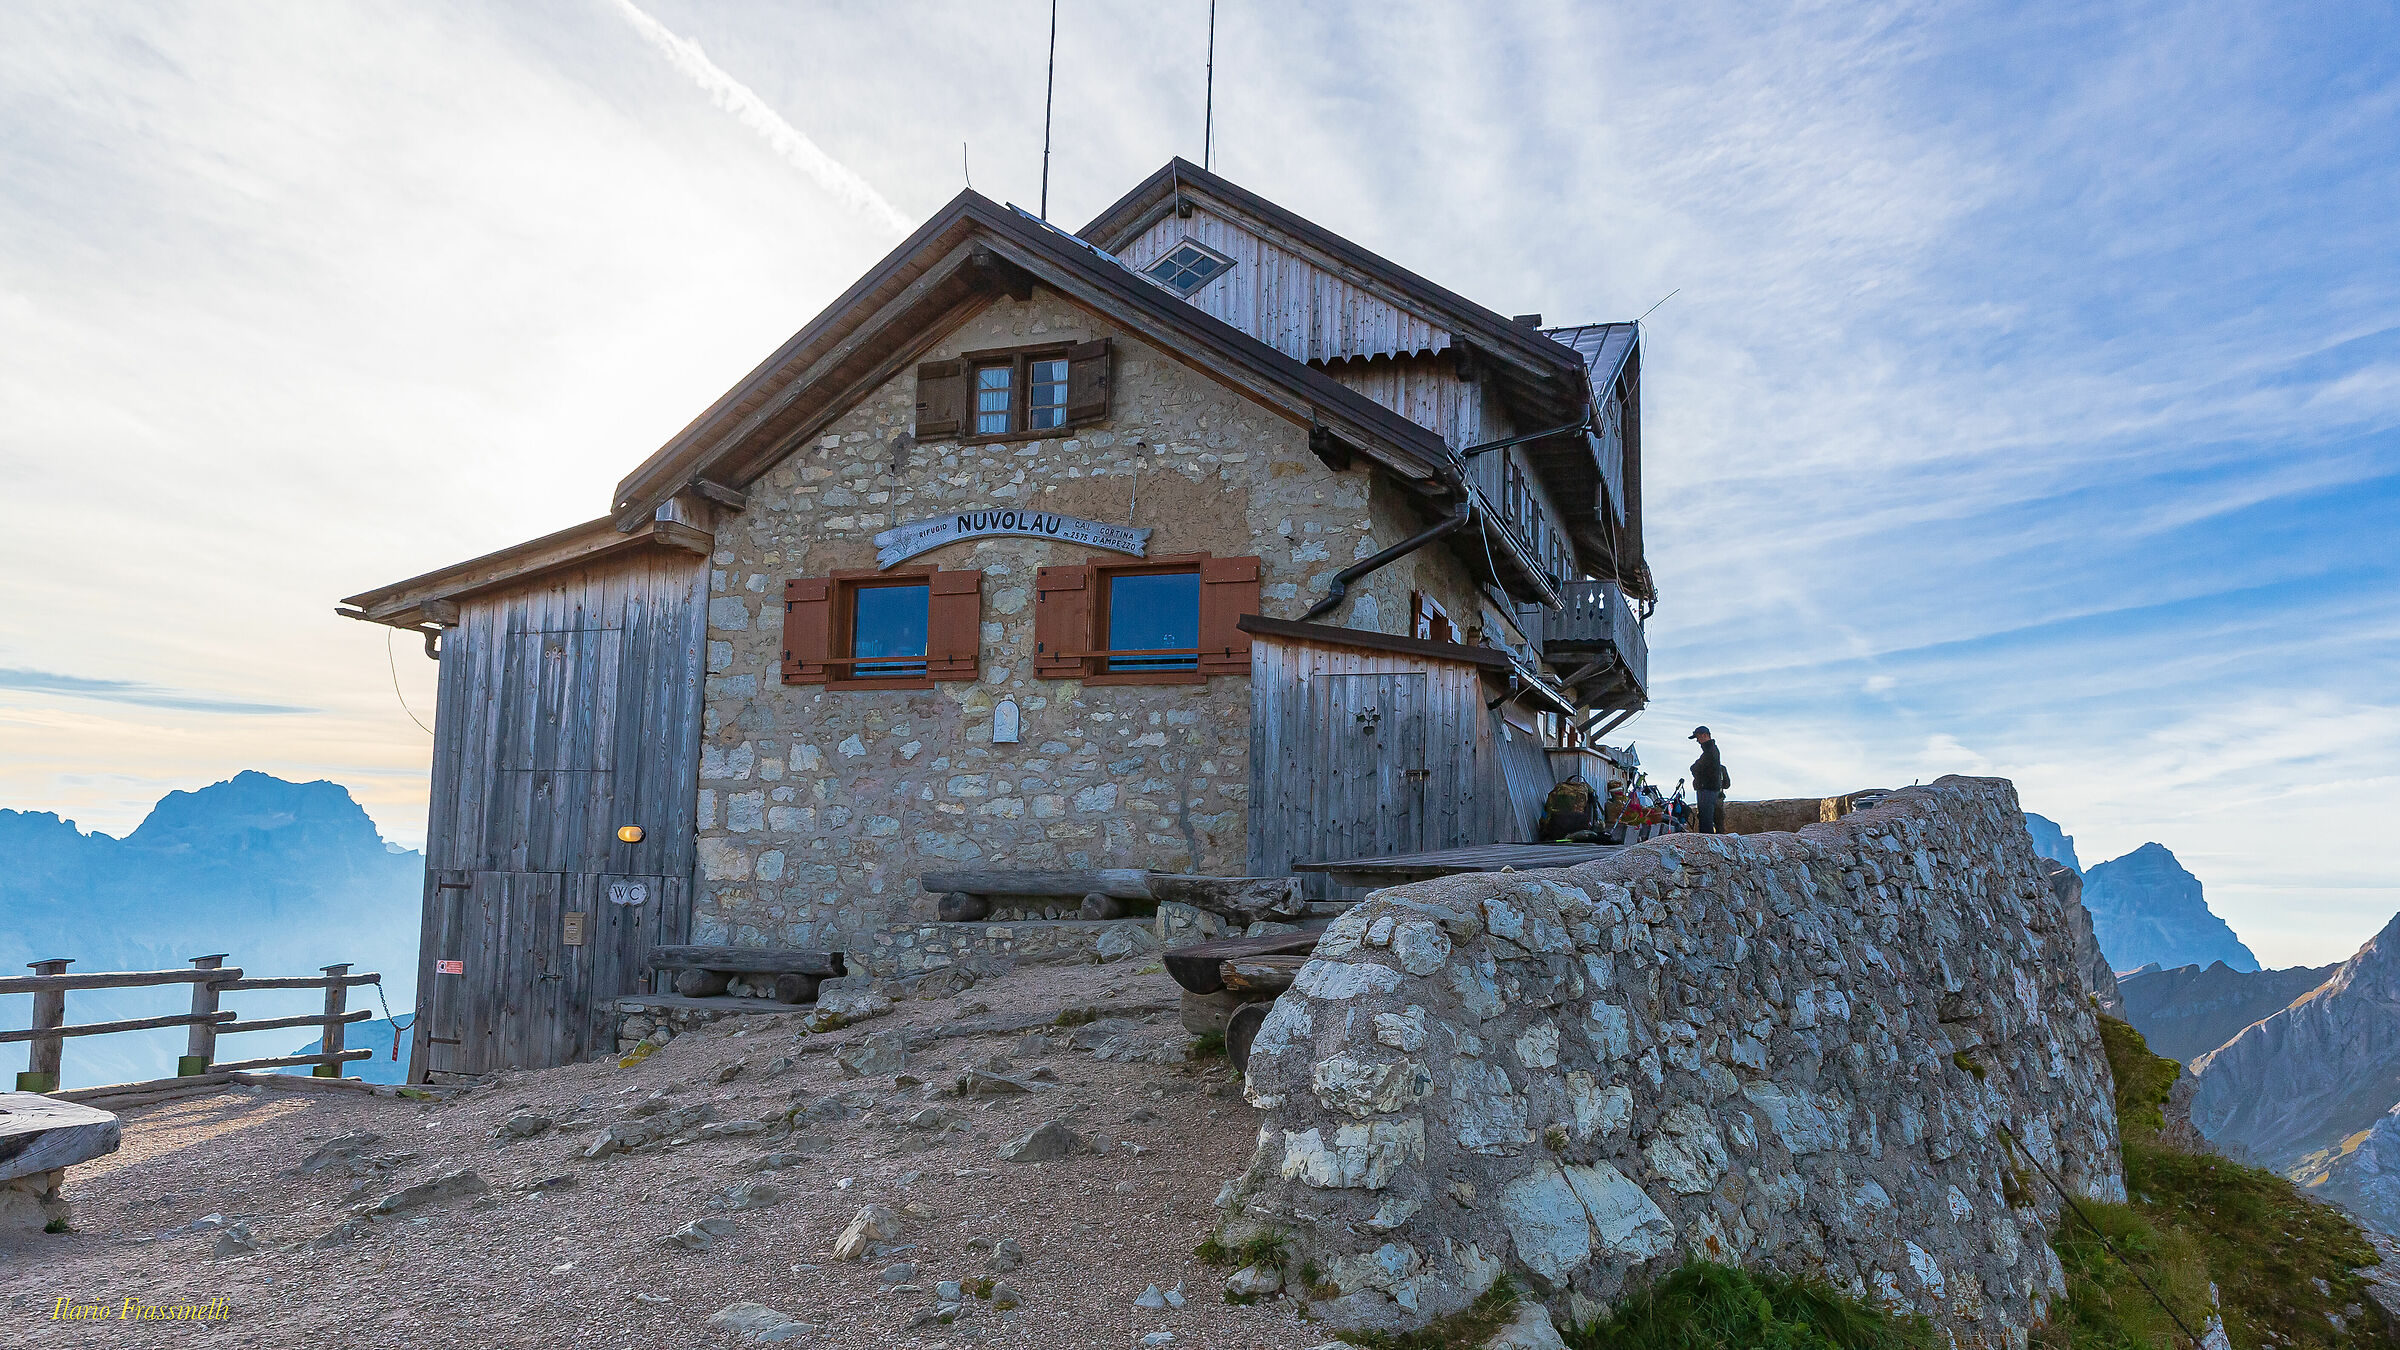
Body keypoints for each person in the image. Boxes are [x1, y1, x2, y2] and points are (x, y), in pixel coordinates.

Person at [1689, 726, 1730, 834]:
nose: (1697, 741)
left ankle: (1708, 847)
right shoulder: (1712, 751)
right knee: (1717, 822)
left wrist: (1695, 768)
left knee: (1706, 822)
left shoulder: (1710, 752)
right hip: (1714, 792)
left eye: (1698, 737)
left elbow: (1696, 768)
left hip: (1707, 791)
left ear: (1705, 735)